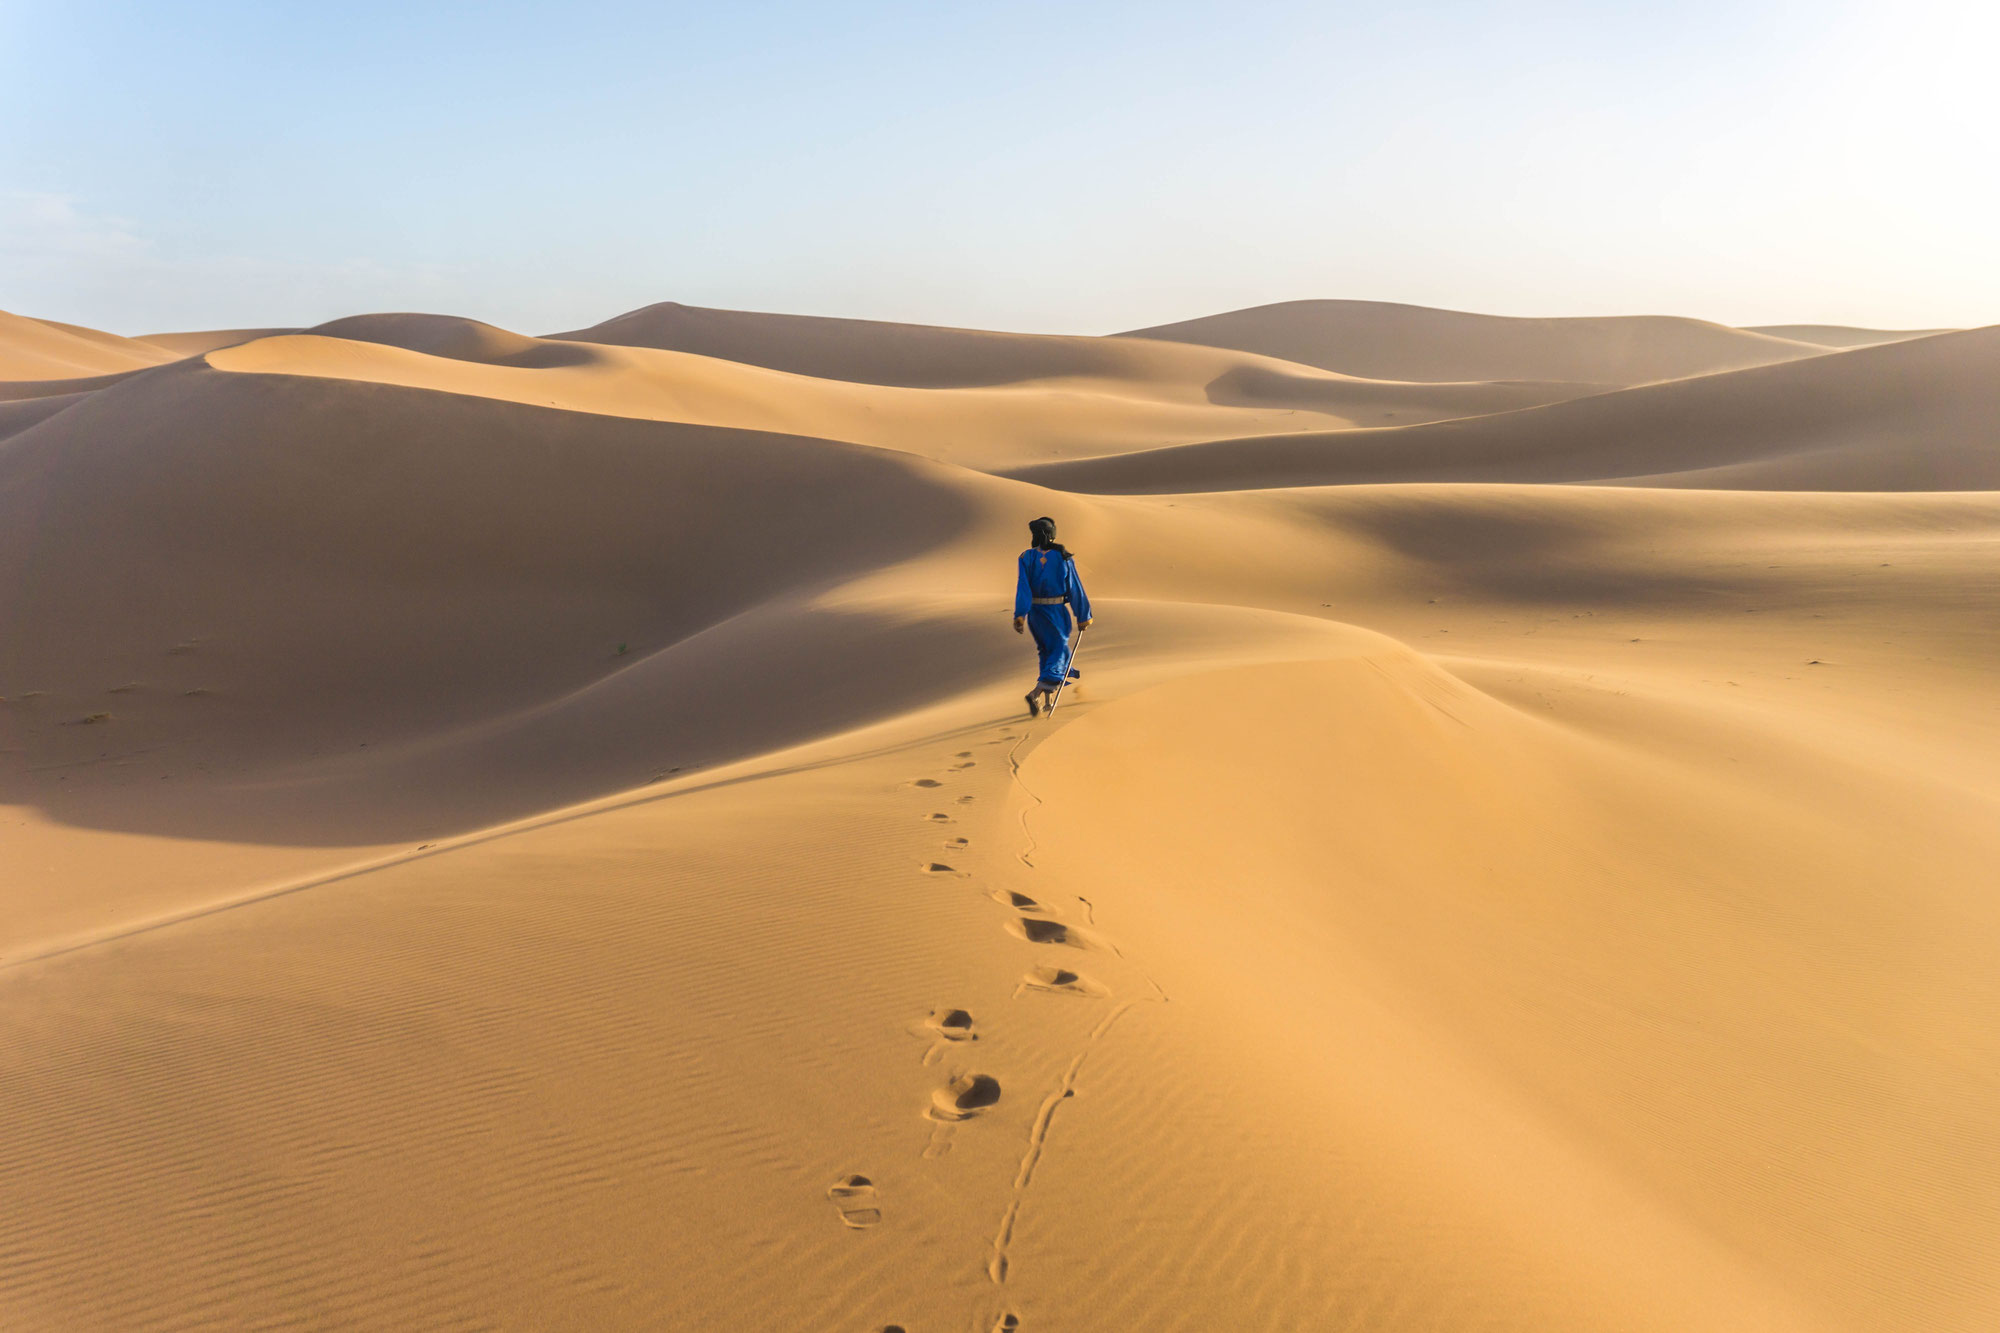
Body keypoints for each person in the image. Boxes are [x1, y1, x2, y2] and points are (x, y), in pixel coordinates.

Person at [1013, 516, 1093, 717]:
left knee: (1046, 652)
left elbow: (1023, 587)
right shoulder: (1063, 557)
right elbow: (1074, 587)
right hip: (1056, 612)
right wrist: (1083, 615)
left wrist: (1021, 614)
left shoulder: (1026, 557)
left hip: (1035, 614)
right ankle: (1036, 693)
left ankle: (1048, 702)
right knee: (1059, 650)